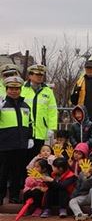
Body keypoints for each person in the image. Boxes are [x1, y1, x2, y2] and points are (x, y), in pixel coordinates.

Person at [0, 76, 33, 204]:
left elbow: (30, 123)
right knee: (3, 172)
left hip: (21, 144)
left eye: (17, 89)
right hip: (5, 144)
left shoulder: (25, 105)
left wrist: (30, 137)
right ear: (7, 89)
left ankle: (14, 196)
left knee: (17, 172)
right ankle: (1, 196)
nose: (14, 91)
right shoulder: (2, 104)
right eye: (11, 89)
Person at [21, 64, 57, 157]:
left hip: (40, 130)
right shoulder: (22, 89)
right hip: (25, 130)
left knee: (38, 158)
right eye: (37, 75)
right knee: (23, 158)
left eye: (41, 75)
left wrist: (51, 128)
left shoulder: (47, 91)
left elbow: (52, 111)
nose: (40, 77)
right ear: (30, 75)